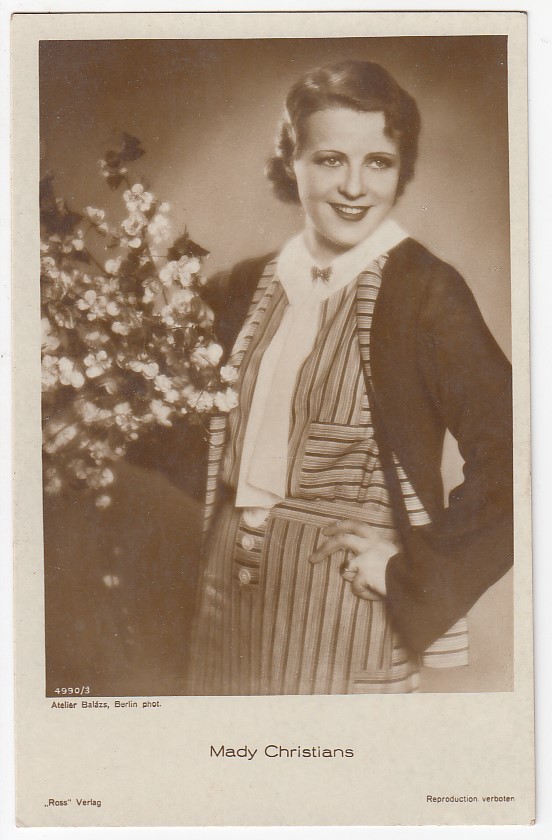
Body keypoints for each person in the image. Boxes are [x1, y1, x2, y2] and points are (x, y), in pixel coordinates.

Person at [188, 60, 513, 695]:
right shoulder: (242, 287)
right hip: (223, 600)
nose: (355, 188)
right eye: (331, 160)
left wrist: (408, 568)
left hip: (344, 610)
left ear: (401, 169)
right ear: (293, 162)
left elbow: (521, 458)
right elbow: (198, 441)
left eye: (379, 162)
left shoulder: (425, 292)